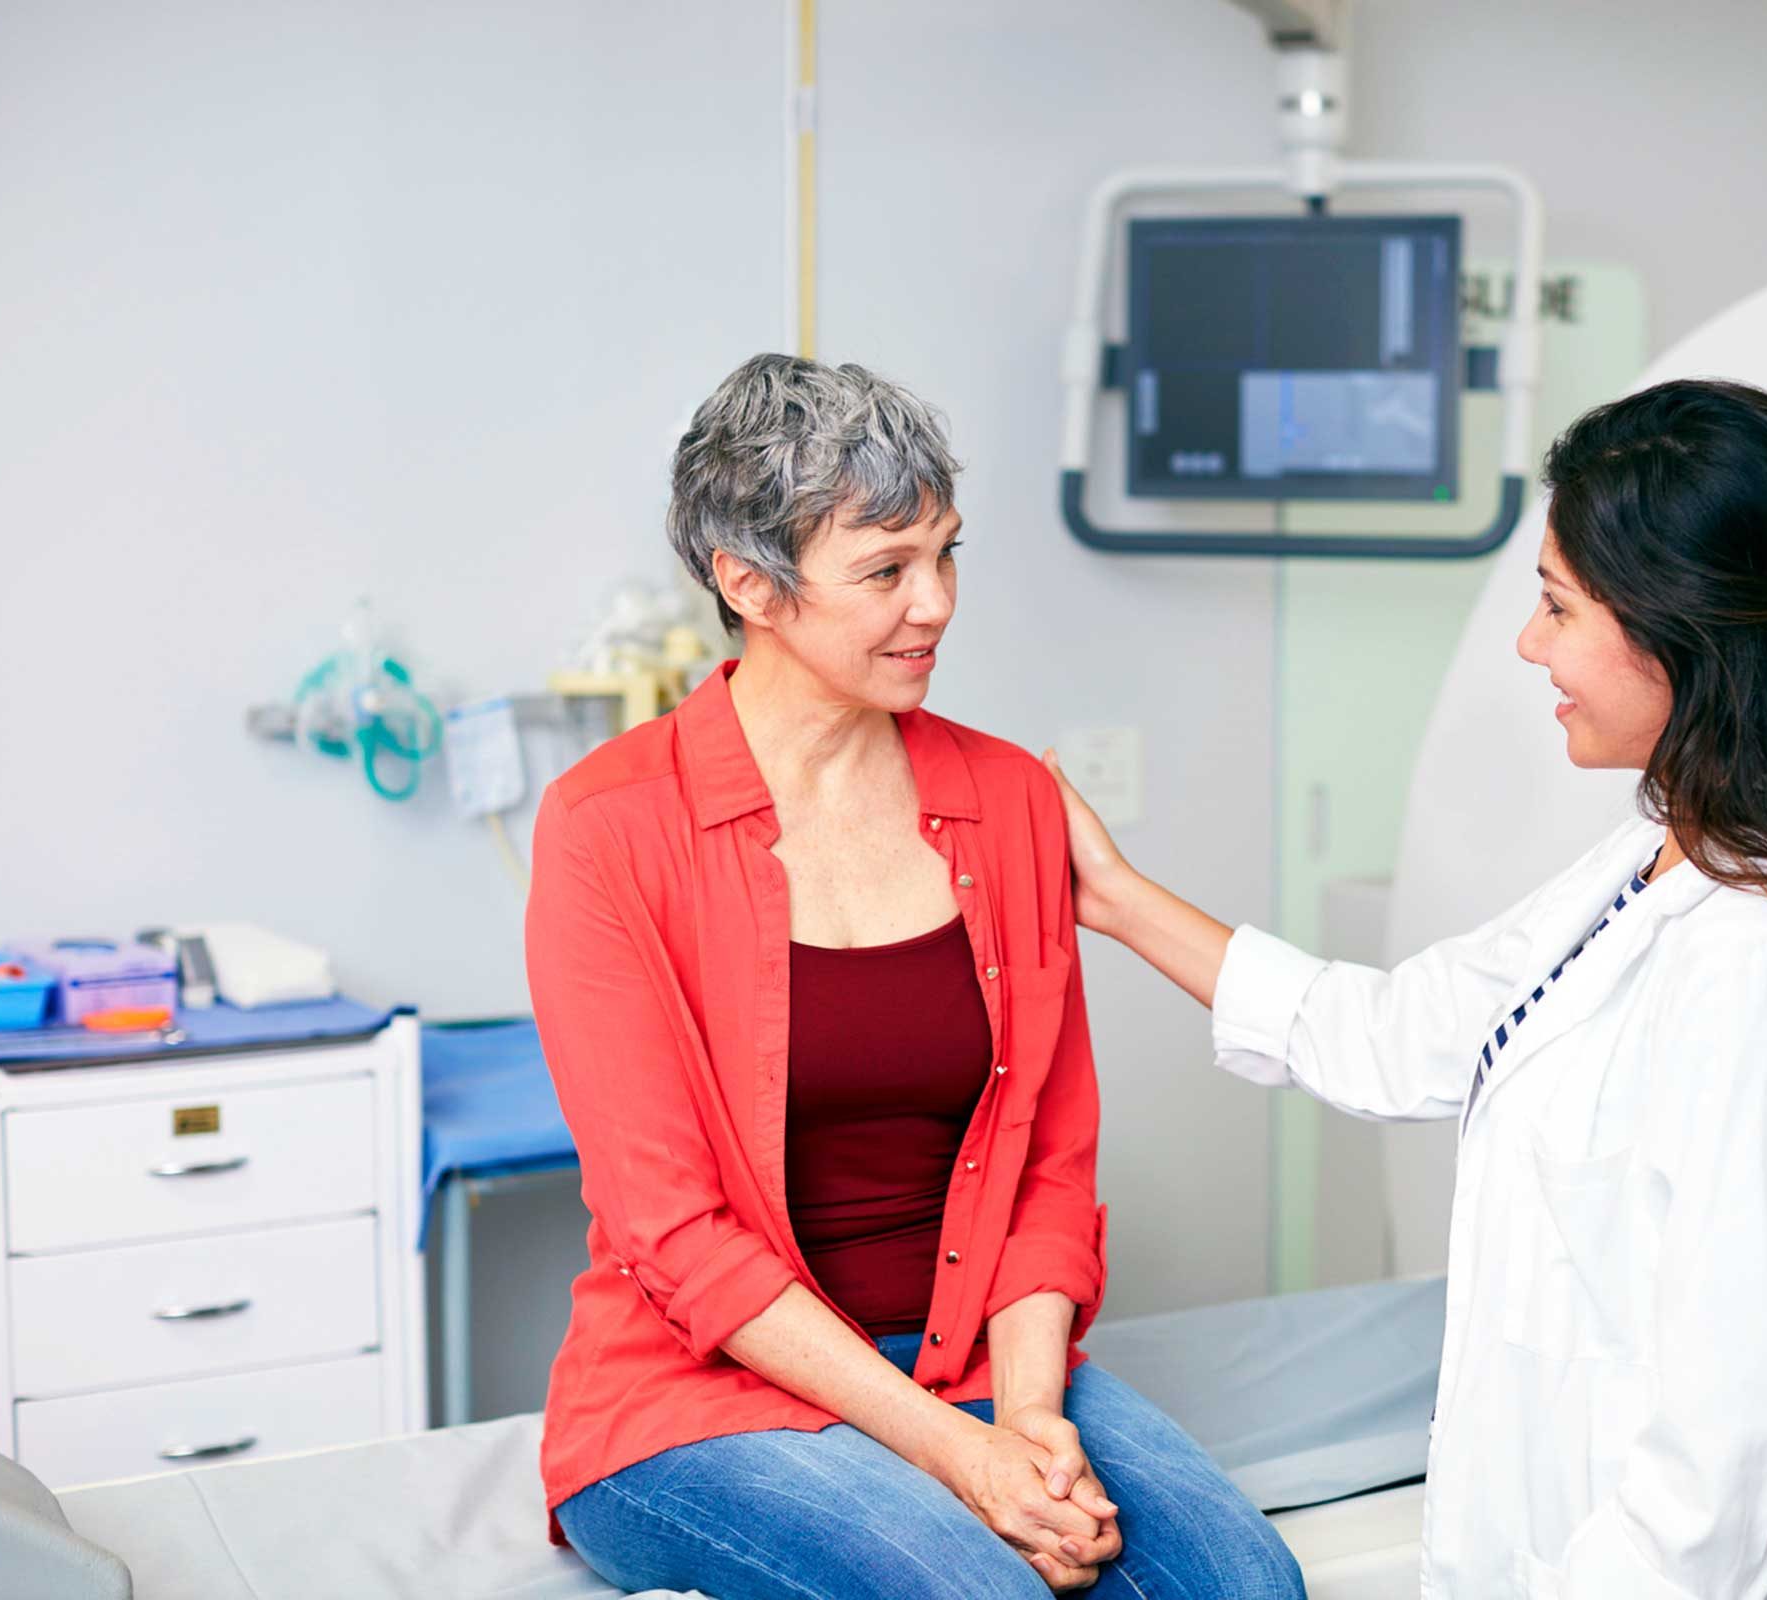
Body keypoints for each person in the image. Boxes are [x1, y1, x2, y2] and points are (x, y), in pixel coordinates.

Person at [1046, 378, 1767, 1598]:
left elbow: (1734, 1463)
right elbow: (1388, 1033)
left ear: (1677, 626)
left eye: (1557, 605)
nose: (1532, 643)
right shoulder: (1657, 860)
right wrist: (1108, 892)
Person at [526, 354, 1304, 1599]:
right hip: (700, 1391)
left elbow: (1049, 1161)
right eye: (885, 570)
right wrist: (963, 1459)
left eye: (946, 554)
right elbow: (673, 1234)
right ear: (748, 583)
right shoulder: (609, 825)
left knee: (1250, 1585)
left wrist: (1032, 1421)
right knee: (981, 1592)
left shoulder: (1005, 798)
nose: (934, 602)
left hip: (979, 1360)